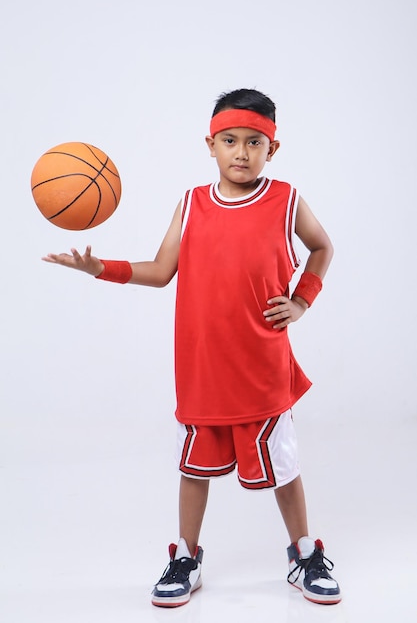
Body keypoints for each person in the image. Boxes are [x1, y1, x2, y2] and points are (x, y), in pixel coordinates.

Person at [43, 88, 341, 608]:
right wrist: (100, 268)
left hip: (263, 366)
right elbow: (160, 272)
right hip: (203, 367)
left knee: (284, 466)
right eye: (230, 141)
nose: (242, 152)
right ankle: (186, 556)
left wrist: (301, 302)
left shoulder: (286, 199)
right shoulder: (193, 203)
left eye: (255, 142)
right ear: (210, 144)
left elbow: (322, 247)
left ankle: (303, 553)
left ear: (274, 148)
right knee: (194, 468)